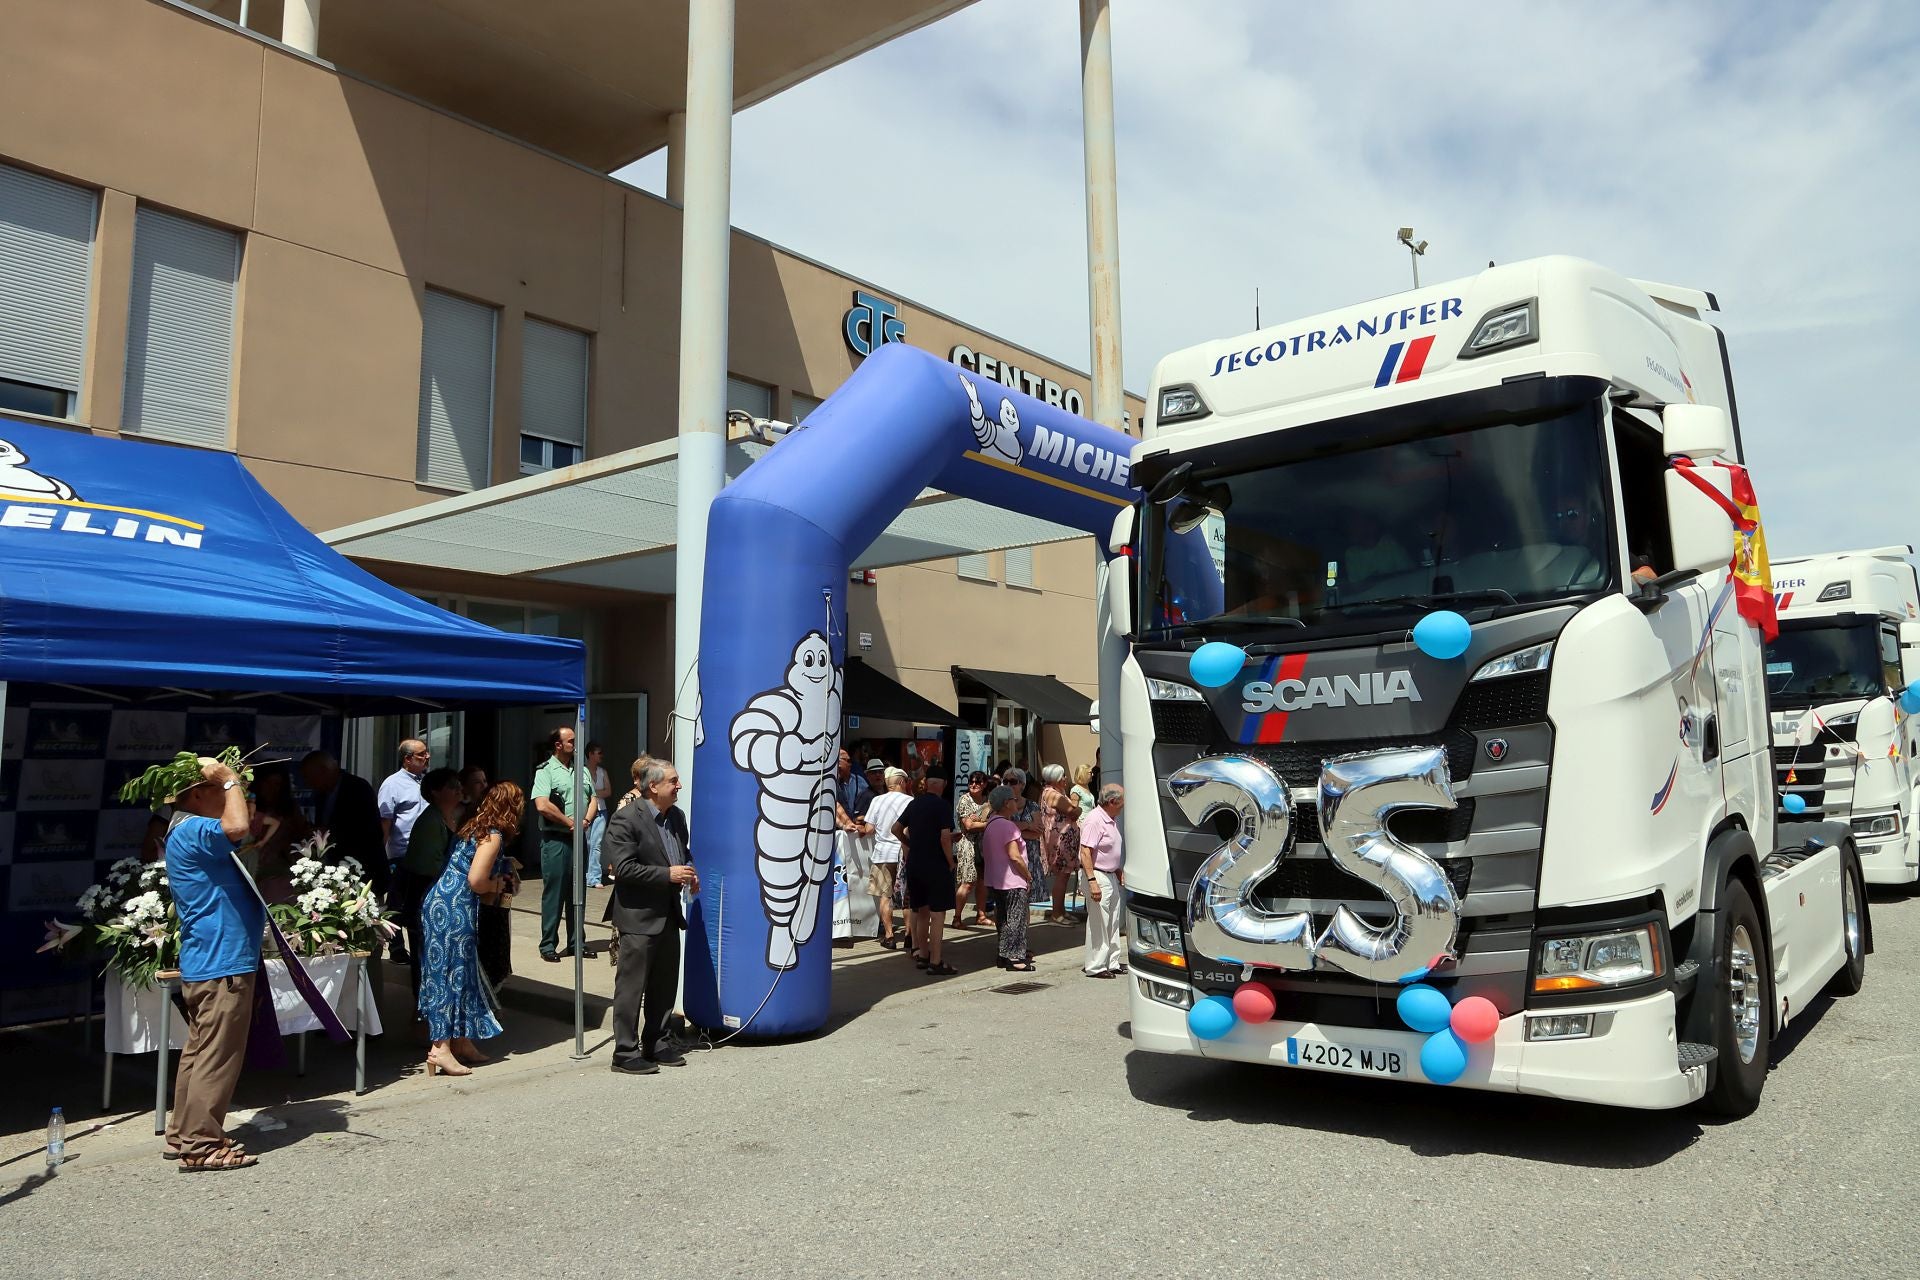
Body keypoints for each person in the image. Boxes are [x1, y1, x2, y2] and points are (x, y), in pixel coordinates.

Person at [162, 756, 260, 1171]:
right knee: (217, 1055)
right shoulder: (195, 829)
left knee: (200, 1051)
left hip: (211, 957)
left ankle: (184, 1132)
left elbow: (243, 824)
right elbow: (239, 827)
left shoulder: (186, 832)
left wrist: (231, 788)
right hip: (222, 961)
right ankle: (201, 1145)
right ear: (198, 794)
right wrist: (230, 780)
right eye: (215, 791)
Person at [417, 781, 522, 1077]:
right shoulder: (492, 836)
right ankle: (440, 1049)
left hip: (441, 902)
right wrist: (498, 884)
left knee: (458, 972)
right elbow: (476, 881)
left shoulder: (472, 827)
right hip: (454, 908)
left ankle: (460, 1041)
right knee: (450, 973)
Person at [605, 759, 700, 1075]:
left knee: (663, 984)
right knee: (632, 987)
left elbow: (681, 853)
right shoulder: (626, 820)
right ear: (653, 786)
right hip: (638, 916)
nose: (679, 786)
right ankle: (625, 1051)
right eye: (673, 781)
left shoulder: (676, 817)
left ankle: (657, 1042)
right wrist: (667, 874)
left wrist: (689, 871)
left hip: (669, 913)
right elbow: (624, 869)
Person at [394, 768, 463, 1009]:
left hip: (441, 900)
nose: (458, 790)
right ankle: (423, 1011)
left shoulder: (449, 817)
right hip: (426, 900)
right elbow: (428, 867)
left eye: (458, 785)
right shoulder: (430, 822)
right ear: (435, 792)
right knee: (425, 959)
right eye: (452, 786)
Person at [531, 726, 597, 963]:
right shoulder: (545, 770)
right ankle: (548, 944)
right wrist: (570, 822)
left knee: (578, 893)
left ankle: (576, 942)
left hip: (579, 838)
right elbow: (542, 805)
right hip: (556, 840)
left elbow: (593, 799)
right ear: (558, 745)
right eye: (571, 741)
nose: (575, 744)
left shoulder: (582, 770)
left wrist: (586, 820)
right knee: (555, 893)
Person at [300, 750, 385, 908]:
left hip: (363, 871)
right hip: (335, 871)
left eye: (309, 777)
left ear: (324, 770)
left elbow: (369, 831)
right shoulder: (321, 795)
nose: (308, 783)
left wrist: (330, 832)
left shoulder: (358, 788)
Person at [376, 740, 432, 964]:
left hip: (426, 854)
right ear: (407, 759)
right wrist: (381, 855)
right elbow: (385, 822)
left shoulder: (427, 782)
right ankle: (397, 947)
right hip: (402, 854)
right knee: (397, 904)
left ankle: (420, 946)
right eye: (421, 755)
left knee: (419, 903)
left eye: (427, 753)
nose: (426, 757)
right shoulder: (392, 784)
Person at [897, 767, 956, 976]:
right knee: (937, 914)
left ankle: (922, 954)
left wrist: (909, 843)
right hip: (936, 864)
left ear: (927, 782)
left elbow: (896, 828)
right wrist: (950, 861)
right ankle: (936, 961)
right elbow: (945, 838)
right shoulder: (943, 806)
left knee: (921, 911)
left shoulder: (914, 804)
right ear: (944, 784)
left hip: (915, 864)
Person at [982, 785, 1034, 973]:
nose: (1016, 801)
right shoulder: (1007, 826)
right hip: (1012, 879)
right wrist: (1028, 876)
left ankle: (1004, 954)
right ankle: (1014, 957)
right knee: (1015, 919)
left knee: (1003, 917)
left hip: (996, 879)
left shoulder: (991, 823)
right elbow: (1014, 855)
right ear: (1006, 804)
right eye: (1013, 799)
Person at [1079, 783, 1127, 978]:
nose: (1124, 805)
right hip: (1097, 875)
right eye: (1122, 800)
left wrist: (1116, 869)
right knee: (1100, 921)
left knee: (1113, 920)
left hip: (1108, 874)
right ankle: (1096, 965)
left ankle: (1111, 961)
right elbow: (1085, 852)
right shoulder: (1095, 820)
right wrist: (1092, 881)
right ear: (1112, 801)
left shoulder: (1110, 819)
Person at [864, 767, 913, 948]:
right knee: (907, 896)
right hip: (903, 853)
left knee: (885, 896)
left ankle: (890, 936)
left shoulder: (877, 800)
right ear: (902, 782)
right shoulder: (911, 801)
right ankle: (909, 936)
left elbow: (868, 829)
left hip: (882, 853)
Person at [1038, 764, 1080, 924]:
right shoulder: (1053, 794)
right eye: (1062, 776)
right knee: (1062, 876)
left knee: (1065, 875)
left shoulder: (1053, 792)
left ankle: (1062, 910)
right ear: (1054, 779)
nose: (1065, 779)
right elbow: (1074, 811)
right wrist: (1077, 807)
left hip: (1064, 839)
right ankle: (1057, 913)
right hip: (1060, 841)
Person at [951, 770, 993, 930]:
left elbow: (986, 819)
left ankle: (981, 916)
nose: (973, 785)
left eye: (977, 782)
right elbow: (969, 826)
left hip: (985, 845)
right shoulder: (964, 800)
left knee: (983, 881)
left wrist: (980, 821)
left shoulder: (988, 800)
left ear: (984, 784)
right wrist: (988, 822)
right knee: (968, 882)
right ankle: (956, 917)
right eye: (971, 782)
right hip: (968, 845)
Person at [584, 742, 612, 890]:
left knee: (596, 844)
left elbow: (608, 791)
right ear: (590, 754)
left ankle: (594, 878)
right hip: (586, 812)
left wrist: (593, 793)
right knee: (586, 844)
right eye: (598, 752)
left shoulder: (602, 772)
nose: (601, 755)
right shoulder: (581, 771)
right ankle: (585, 876)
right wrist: (597, 792)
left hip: (601, 811)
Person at [832, 748, 872, 833]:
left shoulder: (859, 781)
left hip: (857, 825)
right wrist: (846, 824)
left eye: (850, 761)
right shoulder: (830, 782)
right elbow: (835, 805)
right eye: (847, 760)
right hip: (837, 829)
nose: (850, 764)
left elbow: (869, 799)